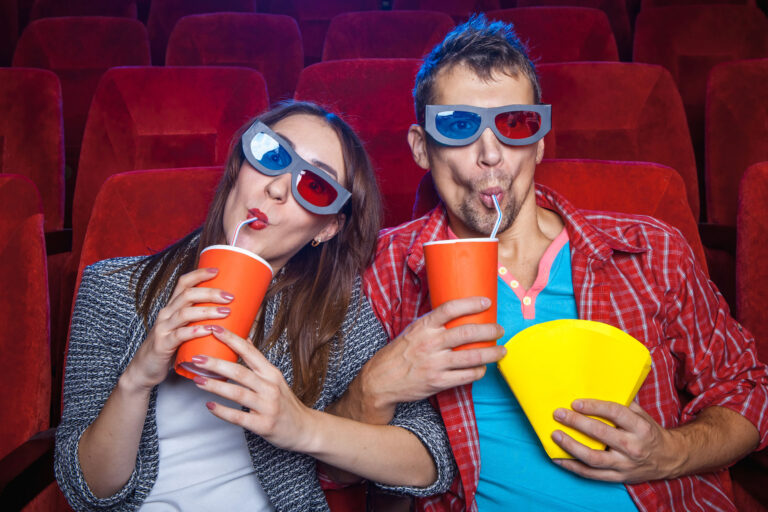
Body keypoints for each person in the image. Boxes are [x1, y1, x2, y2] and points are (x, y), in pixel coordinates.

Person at [331, 15, 768, 511]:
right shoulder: (380, 270)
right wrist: (373, 387)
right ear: (420, 148)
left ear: (538, 142)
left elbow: (749, 393)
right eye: (457, 126)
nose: (490, 154)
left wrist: (669, 453)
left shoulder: (650, 251)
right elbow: (329, 465)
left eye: (514, 124)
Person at [54, 101, 455, 511]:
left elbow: (432, 462)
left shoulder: (336, 317)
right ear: (239, 166)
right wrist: (137, 379)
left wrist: (301, 426)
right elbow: (87, 490)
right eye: (271, 155)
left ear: (327, 227)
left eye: (315, 185)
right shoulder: (114, 288)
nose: (277, 188)